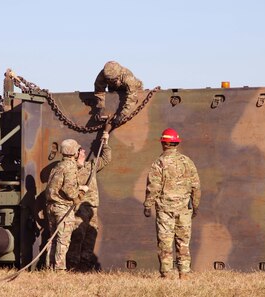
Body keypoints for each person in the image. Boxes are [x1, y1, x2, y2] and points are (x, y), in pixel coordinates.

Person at [143, 128, 201, 280]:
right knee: (183, 243)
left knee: (165, 242)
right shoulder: (187, 162)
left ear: (163, 143)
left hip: (165, 210)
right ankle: (184, 273)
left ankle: (167, 274)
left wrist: (148, 205)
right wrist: (195, 206)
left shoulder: (159, 163)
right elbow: (196, 186)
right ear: (176, 143)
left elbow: (153, 186)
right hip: (184, 210)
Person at [67, 131, 111, 271]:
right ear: (75, 153)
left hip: (92, 207)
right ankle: (72, 265)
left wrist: (105, 143)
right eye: (80, 150)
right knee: (77, 235)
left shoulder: (90, 166)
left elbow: (106, 159)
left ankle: (85, 266)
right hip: (78, 207)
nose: (84, 151)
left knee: (91, 235)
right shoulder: (70, 169)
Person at [46, 139, 89, 271]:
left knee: (53, 239)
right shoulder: (70, 167)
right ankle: (59, 269)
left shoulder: (58, 166)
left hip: (52, 206)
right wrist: (81, 191)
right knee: (63, 240)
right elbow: (69, 190)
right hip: (62, 208)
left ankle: (50, 267)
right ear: (74, 152)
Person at [94, 61, 143, 125]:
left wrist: (122, 115)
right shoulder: (103, 75)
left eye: (113, 79)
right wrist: (101, 108)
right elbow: (99, 92)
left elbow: (132, 97)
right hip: (114, 90)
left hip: (133, 90)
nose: (110, 81)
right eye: (108, 80)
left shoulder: (127, 77)